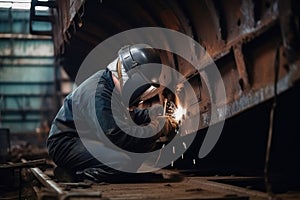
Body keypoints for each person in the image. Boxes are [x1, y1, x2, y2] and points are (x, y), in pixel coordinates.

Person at [47, 44, 178, 182]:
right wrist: (158, 127)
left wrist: (151, 114)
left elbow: (123, 118)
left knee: (138, 148)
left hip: (89, 137)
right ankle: (77, 174)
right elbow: (118, 136)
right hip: (67, 143)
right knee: (120, 162)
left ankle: (119, 172)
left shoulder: (111, 85)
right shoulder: (99, 93)